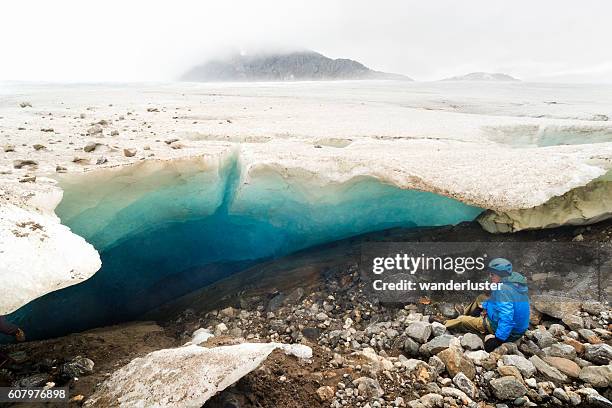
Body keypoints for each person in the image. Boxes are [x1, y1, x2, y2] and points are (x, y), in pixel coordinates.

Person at [444, 257, 530, 352]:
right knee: (480, 299)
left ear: (500, 275)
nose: (490, 276)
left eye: (492, 274)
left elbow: (507, 317)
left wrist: (498, 339)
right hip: (519, 329)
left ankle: (443, 324)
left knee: (462, 320)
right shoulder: (515, 283)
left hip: (509, 332)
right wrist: (483, 307)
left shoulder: (502, 290)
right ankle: (466, 313)